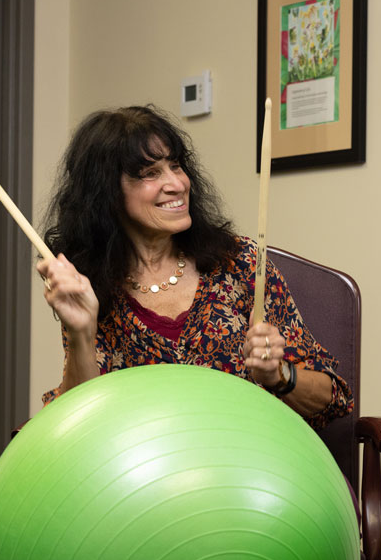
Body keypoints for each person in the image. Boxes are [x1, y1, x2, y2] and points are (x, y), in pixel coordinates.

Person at [36, 105, 352, 430]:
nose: (176, 183)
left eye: (175, 165)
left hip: (245, 466)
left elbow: (335, 399)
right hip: (150, 474)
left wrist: (279, 375)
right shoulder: (90, 288)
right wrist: (81, 334)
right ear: (107, 194)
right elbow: (78, 425)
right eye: (150, 173)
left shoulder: (239, 263)